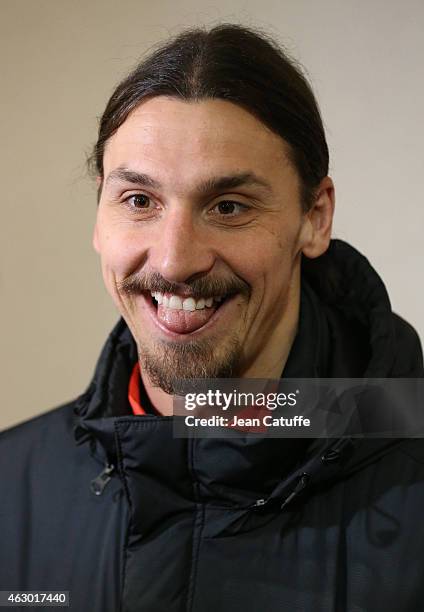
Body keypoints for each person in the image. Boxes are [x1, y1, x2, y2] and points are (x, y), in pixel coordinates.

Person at [1, 23, 423, 612]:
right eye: (139, 200)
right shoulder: (10, 487)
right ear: (99, 212)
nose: (175, 260)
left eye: (228, 207)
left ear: (316, 217)